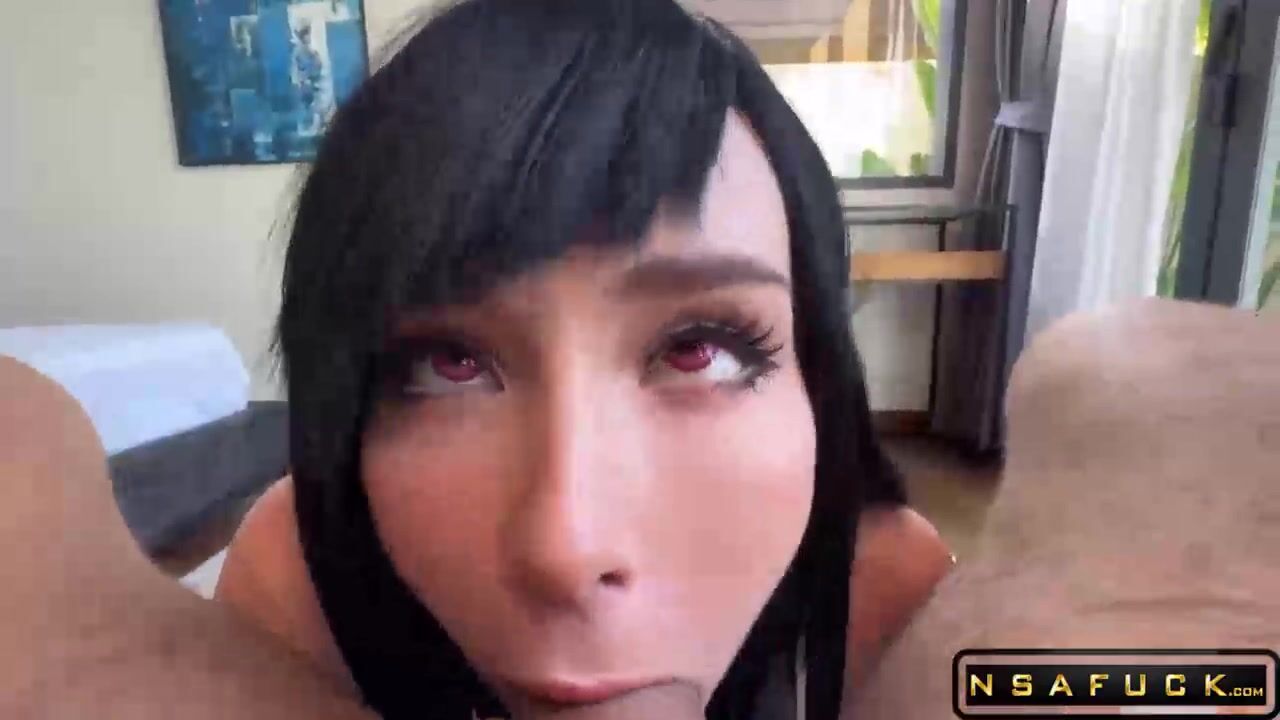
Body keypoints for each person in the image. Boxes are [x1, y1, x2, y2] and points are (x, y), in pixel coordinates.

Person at [214, 0, 952, 718]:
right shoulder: (301, 575)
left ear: (817, 383)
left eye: (696, 350)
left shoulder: (884, 592)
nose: (565, 552)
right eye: (448, 363)